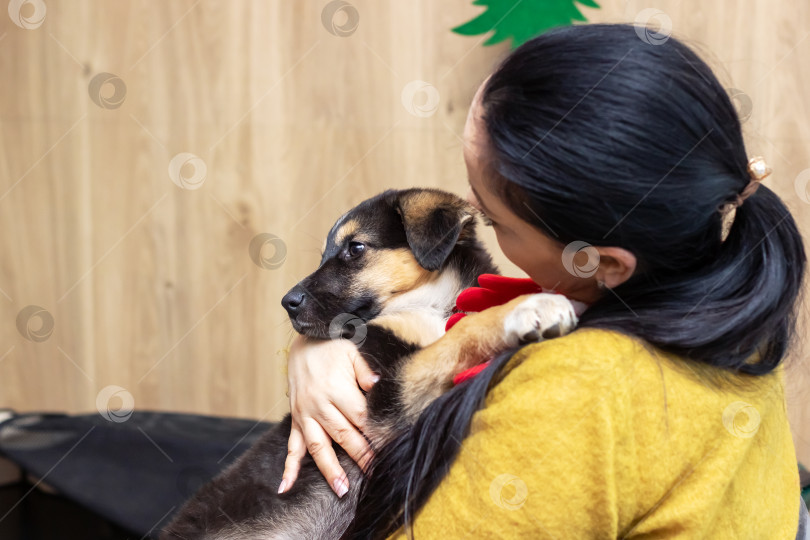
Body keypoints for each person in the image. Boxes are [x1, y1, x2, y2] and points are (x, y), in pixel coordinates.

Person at [279, 23, 807, 538]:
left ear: (603, 263)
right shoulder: (738, 317)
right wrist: (324, 349)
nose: (478, 229)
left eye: (494, 222)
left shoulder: (573, 395)